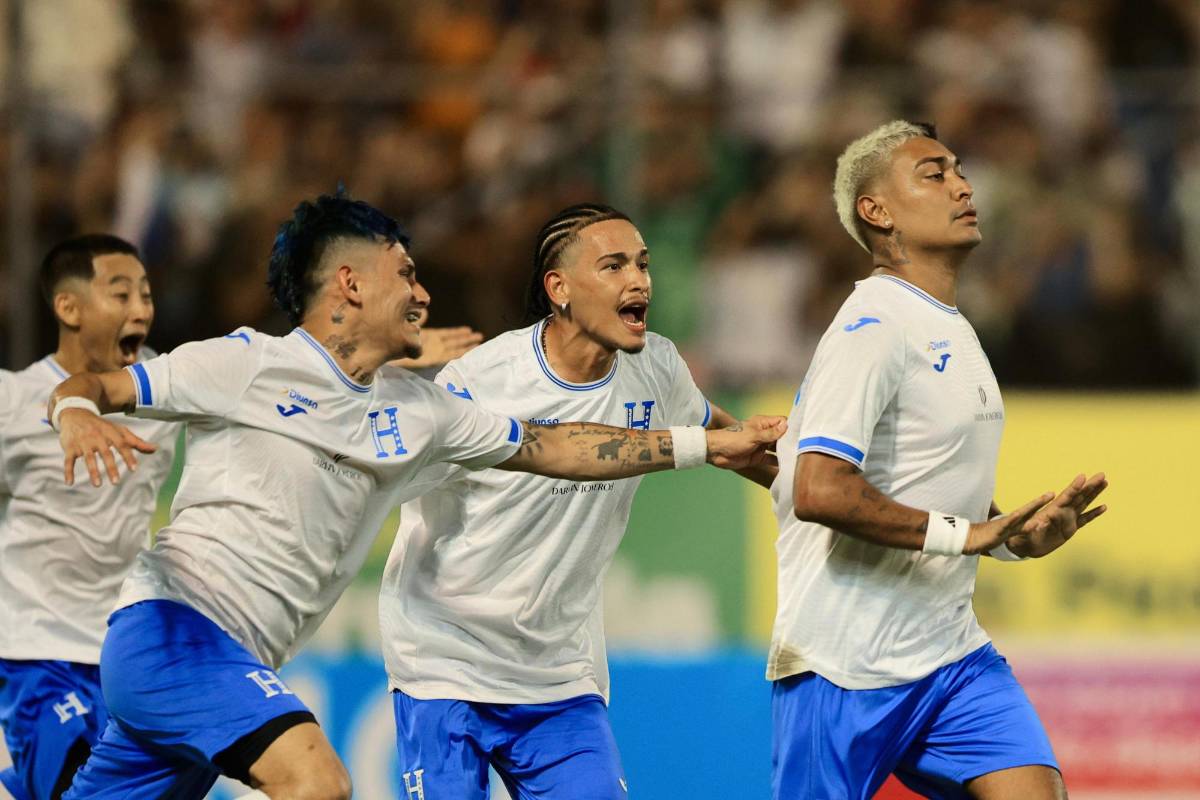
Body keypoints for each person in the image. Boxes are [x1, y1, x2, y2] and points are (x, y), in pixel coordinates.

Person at [48, 192, 783, 800]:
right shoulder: (244, 365)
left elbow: (554, 445)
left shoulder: (422, 410)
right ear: (350, 284)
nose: (425, 294)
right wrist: (75, 414)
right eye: (406, 275)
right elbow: (93, 384)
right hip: (172, 628)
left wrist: (707, 446)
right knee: (317, 784)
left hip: (252, 657)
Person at [380, 203, 777, 799]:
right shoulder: (482, 381)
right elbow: (396, 482)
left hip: (559, 676)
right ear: (558, 288)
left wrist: (823, 491)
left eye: (642, 264)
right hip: (445, 662)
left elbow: (728, 443)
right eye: (613, 266)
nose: (638, 280)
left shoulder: (658, 367)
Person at [769, 121, 1109, 800]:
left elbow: (924, 477)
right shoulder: (871, 328)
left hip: (950, 655)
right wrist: (968, 537)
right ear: (878, 212)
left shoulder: (950, 322)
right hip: (844, 663)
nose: (962, 184)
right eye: (934, 174)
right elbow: (819, 489)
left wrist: (1012, 539)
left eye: (958, 169)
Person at [0, 236, 178, 800]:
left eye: (146, 294)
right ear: (69, 308)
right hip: (33, 652)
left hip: (122, 659)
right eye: (120, 292)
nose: (141, 309)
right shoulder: (14, 401)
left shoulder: (170, 390)